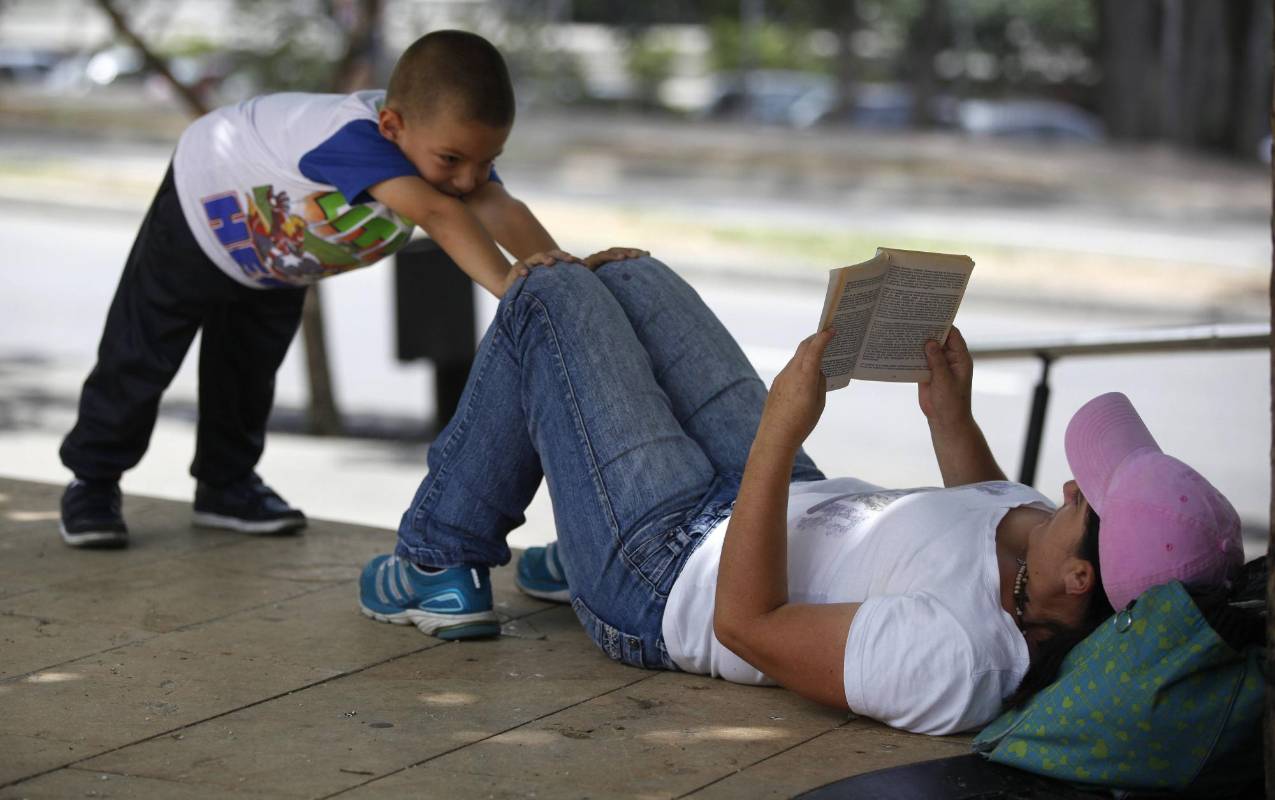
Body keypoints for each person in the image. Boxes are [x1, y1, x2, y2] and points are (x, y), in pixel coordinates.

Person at [358, 256, 1243, 735]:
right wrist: (948, 413)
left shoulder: (954, 660)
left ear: (1082, 582)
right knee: (631, 276)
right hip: (775, 505)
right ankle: (569, 549)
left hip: (668, 575)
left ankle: (438, 557)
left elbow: (748, 627)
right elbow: (980, 502)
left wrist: (780, 428)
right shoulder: (1040, 557)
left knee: (549, 294)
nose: (1069, 483)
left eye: (1088, 498)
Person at [57, 30, 630, 548]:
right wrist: (514, 288)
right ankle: (93, 481)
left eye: (487, 161)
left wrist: (562, 273)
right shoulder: (355, 138)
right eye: (453, 160)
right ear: (392, 128)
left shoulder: (452, 160)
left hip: (278, 257)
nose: (468, 180)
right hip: (206, 207)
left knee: (249, 369)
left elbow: (498, 207)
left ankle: (225, 486)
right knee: (141, 353)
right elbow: (439, 212)